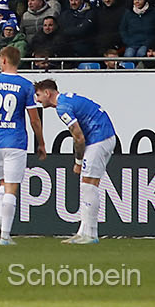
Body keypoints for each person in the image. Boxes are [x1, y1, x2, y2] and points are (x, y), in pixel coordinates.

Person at [33, 80, 116, 245]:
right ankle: (83, 231)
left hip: (99, 138)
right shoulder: (66, 100)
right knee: (88, 185)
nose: (37, 99)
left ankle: (91, 234)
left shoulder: (62, 107)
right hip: (104, 136)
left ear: (47, 93)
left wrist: (78, 161)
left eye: (38, 95)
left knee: (88, 185)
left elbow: (78, 137)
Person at [0, 45, 44, 246]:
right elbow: (34, 120)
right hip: (15, 141)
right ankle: (5, 236)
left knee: (2, 183)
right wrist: (41, 142)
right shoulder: (25, 85)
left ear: (4, 60)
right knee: (11, 188)